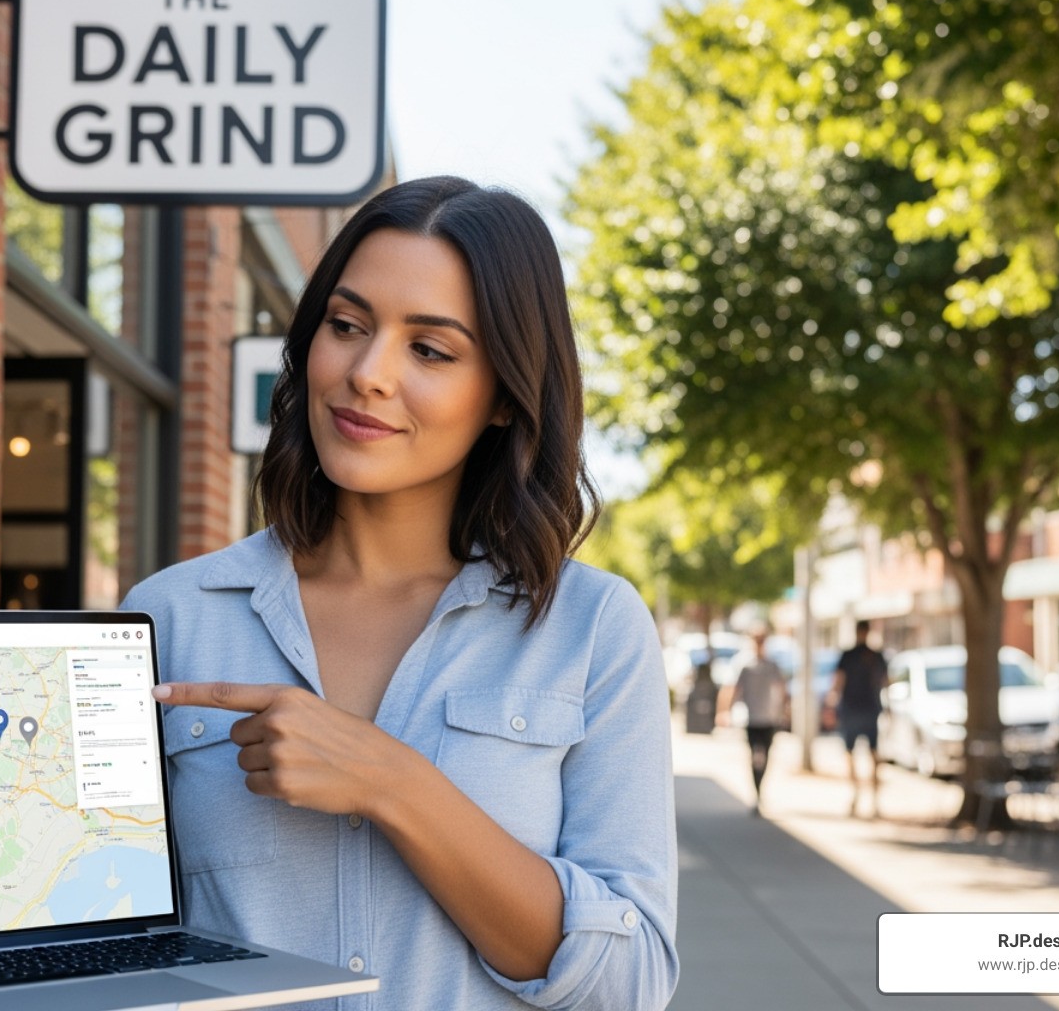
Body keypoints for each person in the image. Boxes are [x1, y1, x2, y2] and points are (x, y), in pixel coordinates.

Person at [121, 177, 678, 1010]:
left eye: (431, 350)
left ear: (502, 396)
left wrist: (392, 784)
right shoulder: (168, 617)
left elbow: (627, 986)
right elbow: (100, 949)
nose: (368, 374)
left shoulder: (593, 630)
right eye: (347, 327)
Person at [719, 631, 787, 815]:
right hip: (752, 718)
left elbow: (782, 689)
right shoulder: (745, 665)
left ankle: (760, 790)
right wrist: (725, 711)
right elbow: (733, 689)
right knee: (755, 756)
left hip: (769, 718)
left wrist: (784, 711)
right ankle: (757, 794)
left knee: (765, 756)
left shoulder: (772, 666)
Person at [825, 619, 888, 817]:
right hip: (866, 709)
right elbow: (885, 682)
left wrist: (831, 704)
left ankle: (862, 797)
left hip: (856, 709)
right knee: (869, 754)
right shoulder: (874, 656)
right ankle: (867, 799)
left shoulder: (853, 656)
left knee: (857, 754)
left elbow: (838, 682)